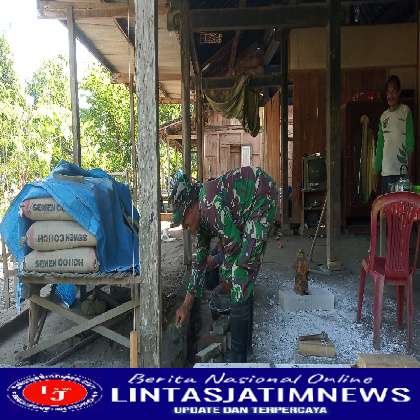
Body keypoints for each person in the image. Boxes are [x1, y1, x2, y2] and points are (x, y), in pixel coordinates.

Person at [171, 166, 277, 362]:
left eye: (184, 221)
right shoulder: (202, 217)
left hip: (262, 199)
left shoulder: (208, 206)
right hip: (247, 209)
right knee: (237, 278)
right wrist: (186, 305)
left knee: (241, 274)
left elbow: (233, 245)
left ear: (192, 207)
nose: (185, 228)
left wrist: (226, 279)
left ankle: (238, 357)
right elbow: (199, 263)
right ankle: (245, 347)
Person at [374, 75, 415, 193]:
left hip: (402, 172)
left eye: (393, 92)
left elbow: (410, 144)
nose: (390, 95)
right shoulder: (383, 116)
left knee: (401, 205)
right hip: (386, 174)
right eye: (388, 92)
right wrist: (376, 172)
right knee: (387, 205)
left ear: (399, 92)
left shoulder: (405, 111)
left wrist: (410, 174)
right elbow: (380, 147)